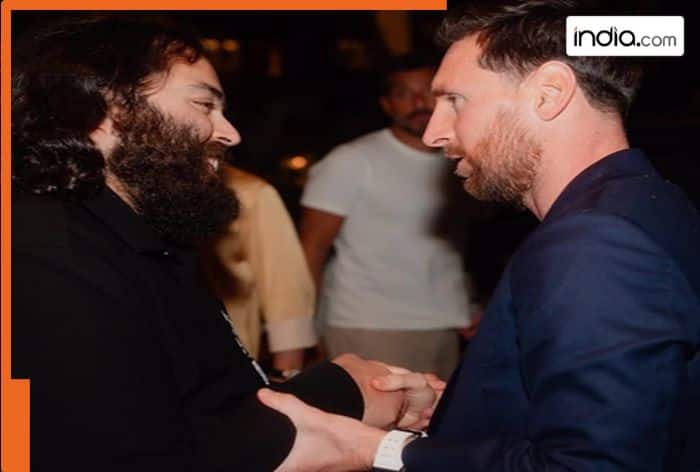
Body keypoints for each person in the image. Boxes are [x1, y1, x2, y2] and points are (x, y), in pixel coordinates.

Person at [259, 1, 700, 470]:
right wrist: (459, 408)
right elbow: (637, 406)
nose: (434, 132)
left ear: (549, 93)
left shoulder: (595, 241)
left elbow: (589, 464)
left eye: (454, 100)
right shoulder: (651, 201)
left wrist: (375, 448)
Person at [10, 17, 441, 471]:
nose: (230, 133)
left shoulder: (138, 238)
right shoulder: (45, 257)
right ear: (104, 111)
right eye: (204, 104)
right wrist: (347, 404)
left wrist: (347, 390)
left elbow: (206, 406)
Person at [300, 52, 473, 380]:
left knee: (442, 414)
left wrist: (468, 305)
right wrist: (304, 329)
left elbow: (451, 248)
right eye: (404, 94)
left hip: (445, 324)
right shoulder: (351, 160)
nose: (419, 103)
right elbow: (312, 247)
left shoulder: (461, 159)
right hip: (368, 325)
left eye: (428, 92)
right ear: (387, 105)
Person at [198, 164, 317, 377]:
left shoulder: (251, 192)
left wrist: (287, 375)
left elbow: (285, 290)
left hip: (227, 364)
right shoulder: (138, 194)